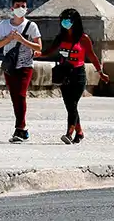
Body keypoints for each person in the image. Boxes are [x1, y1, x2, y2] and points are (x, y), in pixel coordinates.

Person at [37, 8, 109, 145]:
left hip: (78, 74)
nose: (65, 22)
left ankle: (69, 133)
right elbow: (49, 51)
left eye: (68, 20)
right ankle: (80, 132)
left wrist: (100, 72)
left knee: (73, 103)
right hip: (64, 73)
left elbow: (92, 56)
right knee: (70, 106)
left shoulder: (83, 38)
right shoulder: (61, 37)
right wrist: (38, 54)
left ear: (75, 22)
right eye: (63, 20)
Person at [0, 0, 42, 143]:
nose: (20, 8)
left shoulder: (31, 26)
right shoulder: (4, 25)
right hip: (10, 65)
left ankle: (19, 128)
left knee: (20, 94)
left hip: (25, 65)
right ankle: (23, 129)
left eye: (23, 6)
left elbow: (39, 47)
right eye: (18, 5)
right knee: (15, 97)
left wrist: (22, 40)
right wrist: (8, 39)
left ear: (26, 9)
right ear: (12, 8)